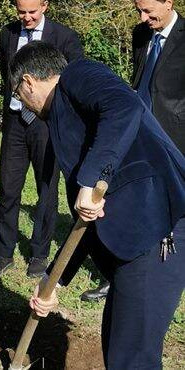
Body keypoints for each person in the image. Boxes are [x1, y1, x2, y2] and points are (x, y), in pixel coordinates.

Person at [12, 41, 184, 369]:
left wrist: (90, 179)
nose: (26, 106)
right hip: (133, 241)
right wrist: (53, 281)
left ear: (29, 82)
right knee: (118, 346)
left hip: (159, 230)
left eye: (20, 97)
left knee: (131, 359)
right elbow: (86, 220)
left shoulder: (77, 74)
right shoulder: (67, 121)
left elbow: (125, 106)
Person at [81, 0, 184, 302]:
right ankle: (121, 278)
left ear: (169, 2)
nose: (143, 17)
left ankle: (163, 276)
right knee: (133, 207)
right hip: (138, 138)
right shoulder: (141, 35)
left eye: (149, 11)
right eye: (139, 9)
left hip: (175, 142)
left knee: (173, 214)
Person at [0, 0, 84, 278]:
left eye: (32, 11)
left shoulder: (64, 37)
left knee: (46, 188)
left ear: (45, 5)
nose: (27, 17)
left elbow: (74, 78)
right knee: (8, 187)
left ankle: (39, 254)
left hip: (46, 123)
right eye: (21, 12)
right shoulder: (8, 34)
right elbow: (5, 72)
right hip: (15, 122)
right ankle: (4, 253)